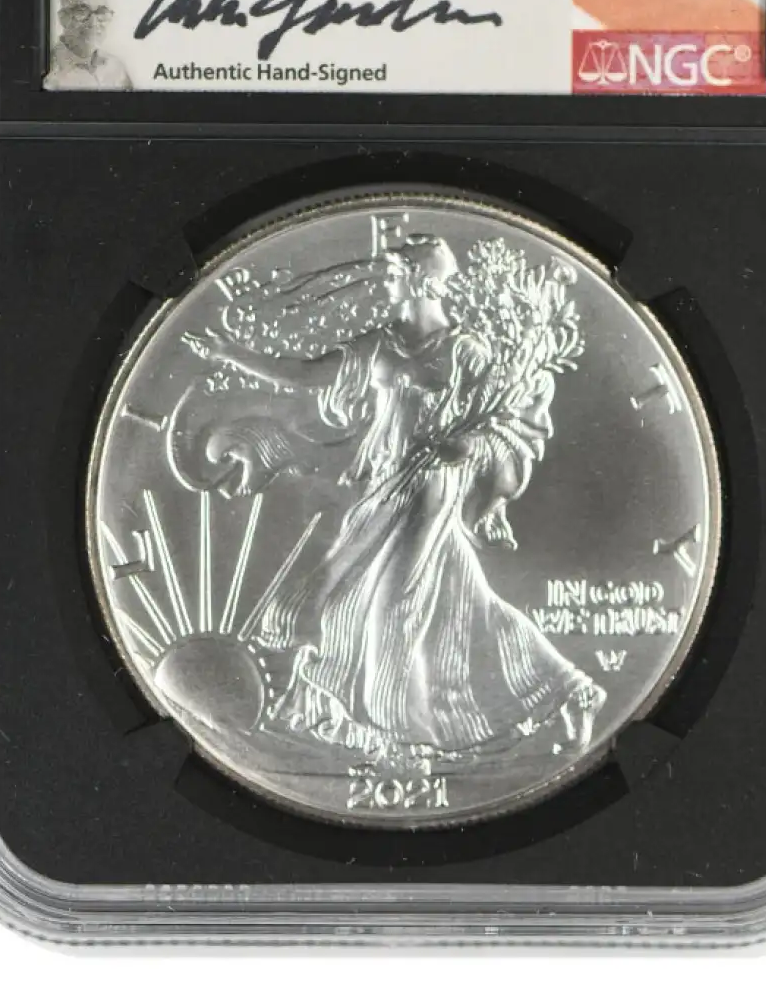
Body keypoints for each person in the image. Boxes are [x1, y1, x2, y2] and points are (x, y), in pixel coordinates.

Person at [176, 235, 606, 763]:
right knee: (455, 602)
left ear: (422, 280)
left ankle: (396, 732)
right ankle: (571, 690)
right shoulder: (379, 344)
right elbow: (306, 375)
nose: (387, 283)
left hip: (430, 488)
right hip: (384, 486)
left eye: (396, 274)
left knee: (389, 608)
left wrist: (467, 446)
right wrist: (230, 354)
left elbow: (507, 427)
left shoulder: (466, 352)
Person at [44, 0, 132, 89]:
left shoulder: (117, 70)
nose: (93, 23)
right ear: (63, 18)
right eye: (82, 12)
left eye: (101, 12)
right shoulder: (47, 72)